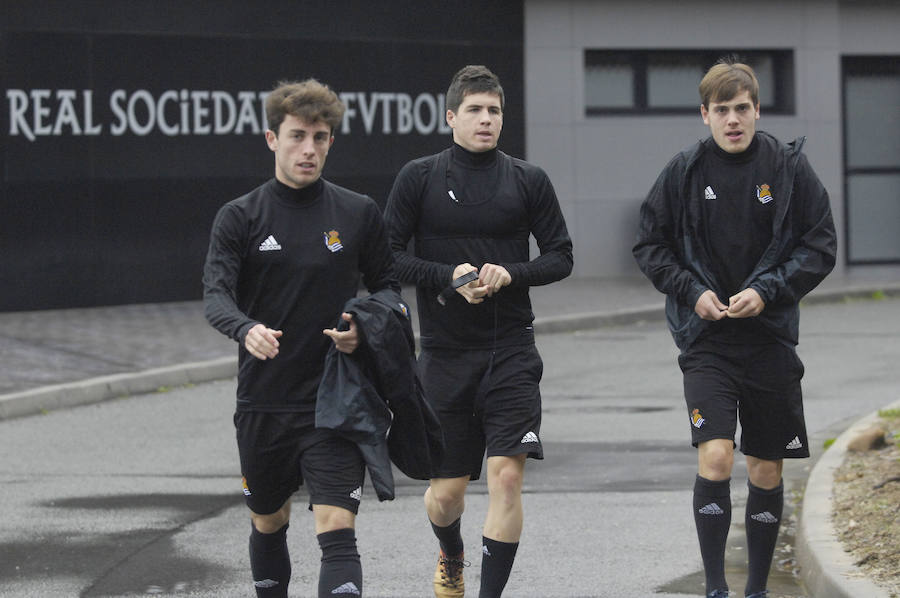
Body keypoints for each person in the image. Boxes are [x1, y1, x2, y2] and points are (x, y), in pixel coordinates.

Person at [632, 58, 837, 598]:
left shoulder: (789, 169)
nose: (732, 120)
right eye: (721, 110)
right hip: (708, 342)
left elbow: (820, 246)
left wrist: (767, 291)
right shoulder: (684, 172)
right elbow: (650, 246)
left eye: (741, 108)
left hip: (769, 340)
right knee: (717, 455)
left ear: (757, 109)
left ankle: (757, 590)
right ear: (705, 115)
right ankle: (717, 588)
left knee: (766, 469)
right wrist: (691, 292)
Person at [202, 78, 397, 598]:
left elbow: (388, 289)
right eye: (297, 136)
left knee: (337, 526)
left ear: (331, 141)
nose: (308, 149)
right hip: (265, 401)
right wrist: (246, 329)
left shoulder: (357, 212)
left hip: (336, 400)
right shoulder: (240, 217)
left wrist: (363, 329)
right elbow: (216, 297)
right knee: (268, 520)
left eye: (319, 137)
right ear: (272, 139)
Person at [384, 65, 573, 597]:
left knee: (506, 478)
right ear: (451, 116)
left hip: (510, 350)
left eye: (494, 110)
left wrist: (512, 273)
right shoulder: (418, 177)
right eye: (474, 110)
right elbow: (387, 257)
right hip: (444, 355)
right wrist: (447, 276)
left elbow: (561, 256)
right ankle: (451, 553)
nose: (486, 119)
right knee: (445, 495)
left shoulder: (528, 180)